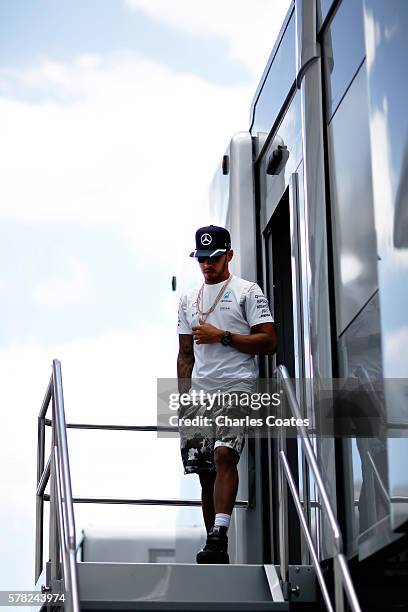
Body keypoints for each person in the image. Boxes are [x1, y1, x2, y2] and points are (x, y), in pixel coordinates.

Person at [177, 225, 277, 564]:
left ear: (229, 255)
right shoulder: (188, 299)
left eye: (214, 258)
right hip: (201, 391)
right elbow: (185, 354)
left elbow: (268, 341)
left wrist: (223, 337)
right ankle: (214, 545)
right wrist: (183, 397)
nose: (207, 264)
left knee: (224, 456)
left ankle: (220, 534)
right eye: (202, 259)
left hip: (238, 385)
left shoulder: (248, 291)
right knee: (205, 469)